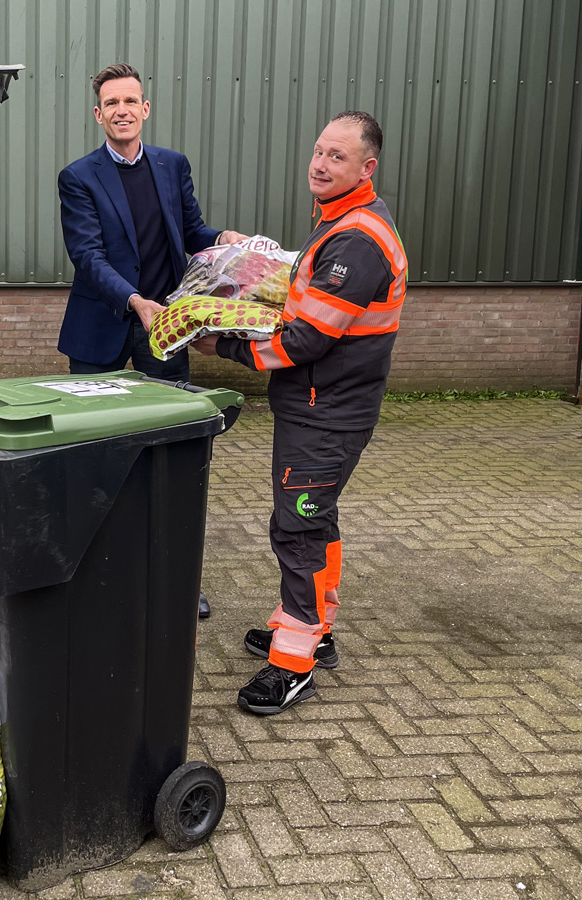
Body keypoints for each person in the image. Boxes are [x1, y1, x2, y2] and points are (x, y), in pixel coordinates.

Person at [192, 110, 406, 715]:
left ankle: (292, 664)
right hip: (322, 410)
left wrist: (220, 342)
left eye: (336, 156)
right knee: (317, 519)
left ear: (366, 167)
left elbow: (304, 340)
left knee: (298, 528)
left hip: (326, 416)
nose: (319, 163)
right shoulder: (339, 223)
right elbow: (306, 295)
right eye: (318, 151)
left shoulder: (356, 241)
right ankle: (315, 630)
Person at [57, 62, 246, 619]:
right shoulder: (78, 177)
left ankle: (173, 575)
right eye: (110, 102)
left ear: (145, 109)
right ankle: (86, 574)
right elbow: (87, 257)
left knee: (170, 453)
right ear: (98, 114)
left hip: (165, 330)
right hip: (103, 332)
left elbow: (191, 232)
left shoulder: (172, 165)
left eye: (130, 101)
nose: (121, 110)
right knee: (90, 455)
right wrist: (136, 301)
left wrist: (223, 240)